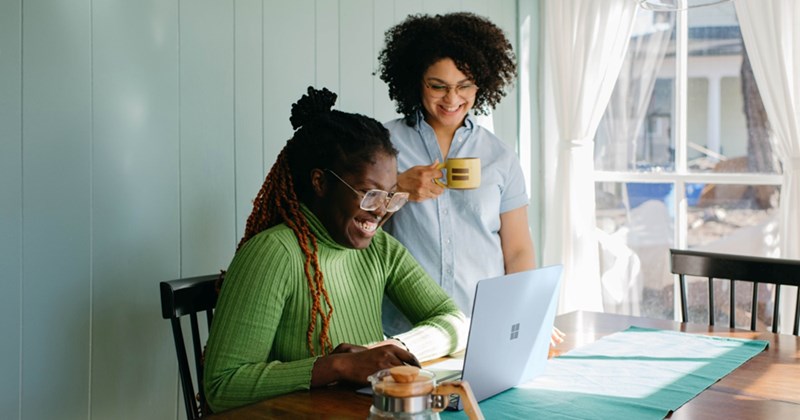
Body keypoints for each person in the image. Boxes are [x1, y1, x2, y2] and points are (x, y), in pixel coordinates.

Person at [203, 87, 468, 412]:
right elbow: (222, 385)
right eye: (369, 194)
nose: (381, 210)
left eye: (390, 196)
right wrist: (337, 366)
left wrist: (389, 348)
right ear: (320, 182)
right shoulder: (274, 254)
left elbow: (454, 320)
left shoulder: (380, 248)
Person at [377, 12, 564, 346]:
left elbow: (518, 250)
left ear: (482, 84)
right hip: (405, 333)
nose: (452, 99)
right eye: (438, 86)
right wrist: (397, 189)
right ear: (415, 80)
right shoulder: (381, 146)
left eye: (464, 86)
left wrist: (527, 314)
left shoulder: (500, 157)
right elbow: (349, 231)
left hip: (484, 327)